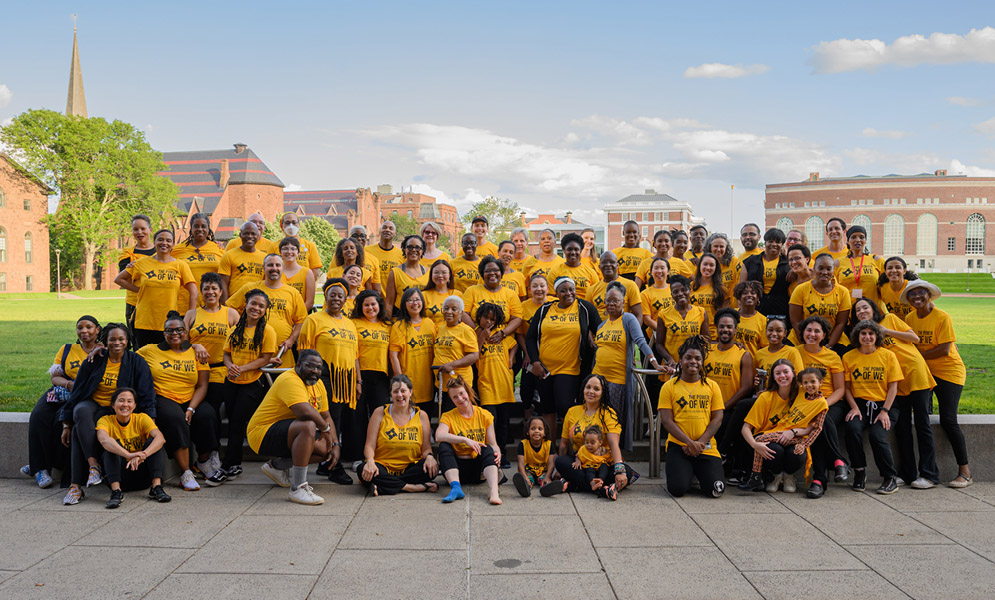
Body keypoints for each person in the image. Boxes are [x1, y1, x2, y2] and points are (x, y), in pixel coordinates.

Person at [59, 323, 156, 505]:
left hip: (119, 410)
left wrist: (150, 419)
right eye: (112, 339)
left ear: (127, 341)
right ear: (105, 341)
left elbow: (147, 393)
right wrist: (66, 422)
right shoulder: (95, 359)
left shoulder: (136, 362)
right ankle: (93, 466)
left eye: (121, 339)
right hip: (94, 405)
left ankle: (76, 485)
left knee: (81, 431)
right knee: (80, 412)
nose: (117, 342)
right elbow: (78, 390)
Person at [851, 297, 938, 489]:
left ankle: (929, 474)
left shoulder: (889, 319)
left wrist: (886, 331)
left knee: (923, 424)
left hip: (915, 374)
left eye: (865, 307)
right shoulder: (865, 335)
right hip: (896, 382)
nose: (862, 311)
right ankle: (907, 473)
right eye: (858, 310)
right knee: (902, 428)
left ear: (873, 308)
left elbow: (914, 338)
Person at [137, 311, 218, 490]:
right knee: (175, 419)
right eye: (170, 331)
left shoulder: (197, 352)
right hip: (164, 397)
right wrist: (99, 348)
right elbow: (125, 354)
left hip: (189, 398)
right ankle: (185, 472)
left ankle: (203, 462)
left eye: (179, 330)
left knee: (207, 414)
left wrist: (191, 408)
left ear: (186, 332)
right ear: (163, 333)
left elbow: (202, 385)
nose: (175, 334)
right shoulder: (149, 350)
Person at [903, 280, 972, 488]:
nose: (917, 297)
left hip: (949, 373)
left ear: (929, 295)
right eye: (912, 294)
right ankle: (925, 472)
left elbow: (943, 349)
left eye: (921, 293)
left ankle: (965, 472)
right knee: (921, 417)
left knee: (948, 420)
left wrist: (919, 357)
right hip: (925, 374)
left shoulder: (942, 317)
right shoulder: (909, 318)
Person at [247, 350, 338, 505]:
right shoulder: (290, 379)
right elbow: (303, 411)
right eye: (310, 366)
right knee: (308, 425)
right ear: (298, 365)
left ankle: (276, 467)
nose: (315, 371)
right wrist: (325, 430)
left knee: (325, 450)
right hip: (261, 434)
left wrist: (335, 444)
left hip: (286, 432)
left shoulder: (318, 383)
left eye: (318, 367)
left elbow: (326, 416)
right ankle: (298, 488)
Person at [22, 316, 101, 489]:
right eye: (80, 328)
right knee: (39, 415)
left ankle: (42, 465)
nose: (84, 331)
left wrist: (77, 388)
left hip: (84, 396)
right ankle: (40, 469)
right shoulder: (67, 349)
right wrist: (68, 384)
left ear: (97, 330)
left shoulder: (101, 351)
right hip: (62, 389)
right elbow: (54, 376)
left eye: (89, 327)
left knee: (61, 421)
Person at [298, 279, 361, 485]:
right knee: (329, 421)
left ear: (345, 300)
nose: (336, 298)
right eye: (332, 295)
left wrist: (358, 380)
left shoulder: (350, 323)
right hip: (324, 377)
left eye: (340, 296)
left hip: (347, 380)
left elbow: (355, 355)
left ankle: (327, 463)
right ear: (325, 297)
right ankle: (336, 466)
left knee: (340, 421)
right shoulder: (314, 320)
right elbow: (304, 351)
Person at [525, 276, 602, 437]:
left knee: (565, 406)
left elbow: (600, 331)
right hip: (544, 369)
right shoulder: (545, 309)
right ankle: (550, 448)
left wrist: (589, 334)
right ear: (556, 293)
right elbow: (531, 337)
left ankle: (569, 446)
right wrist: (535, 362)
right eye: (563, 290)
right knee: (547, 408)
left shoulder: (585, 308)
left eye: (571, 289)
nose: (569, 293)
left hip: (570, 368)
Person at [592, 282, 664, 450]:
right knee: (597, 418)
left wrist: (655, 363)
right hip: (598, 379)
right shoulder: (601, 325)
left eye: (615, 300)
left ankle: (613, 454)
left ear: (623, 301)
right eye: (608, 300)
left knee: (613, 421)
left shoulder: (628, 319)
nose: (611, 304)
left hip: (618, 381)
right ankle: (596, 452)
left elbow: (641, 341)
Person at [739, 363, 827, 494]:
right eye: (778, 373)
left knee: (797, 453)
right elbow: (745, 428)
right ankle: (774, 476)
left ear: (793, 374)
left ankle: (787, 476)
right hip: (776, 436)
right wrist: (754, 445)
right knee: (764, 443)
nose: (782, 376)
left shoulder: (804, 394)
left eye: (786, 372)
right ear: (773, 377)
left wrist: (795, 434)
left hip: (796, 438)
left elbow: (815, 427)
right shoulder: (767, 397)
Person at [184, 272, 239, 479]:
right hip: (201, 372)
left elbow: (241, 343)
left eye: (214, 288)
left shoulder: (231, 314)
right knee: (211, 412)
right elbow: (180, 342)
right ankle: (211, 454)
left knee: (234, 414)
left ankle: (232, 460)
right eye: (206, 288)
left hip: (227, 369)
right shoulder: (192, 315)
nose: (210, 292)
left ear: (221, 291)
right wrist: (195, 344)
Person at [546, 374, 637, 497]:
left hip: (603, 465)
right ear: (583, 389)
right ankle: (604, 489)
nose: (591, 391)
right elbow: (563, 444)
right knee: (561, 462)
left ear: (602, 392)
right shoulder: (573, 412)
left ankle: (574, 485)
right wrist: (560, 471)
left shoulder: (608, 413)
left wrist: (620, 470)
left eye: (596, 389)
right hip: (581, 463)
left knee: (628, 472)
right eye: (588, 387)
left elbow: (613, 443)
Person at [657, 336, 725, 498]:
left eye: (697, 358)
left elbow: (717, 419)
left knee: (716, 490)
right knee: (677, 489)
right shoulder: (669, 387)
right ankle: (686, 472)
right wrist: (689, 443)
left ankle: (697, 471)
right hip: (679, 445)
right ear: (680, 361)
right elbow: (667, 421)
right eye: (688, 358)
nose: (693, 361)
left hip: (705, 446)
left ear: (702, 362)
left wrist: (699, 443)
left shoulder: (712, 386)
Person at [221, 289, 277, 478]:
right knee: (233, 423)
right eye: (253, 303)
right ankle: (233, 463)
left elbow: (265, 358)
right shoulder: (235, 328)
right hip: (231, 382)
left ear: (265, 309)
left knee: (237, 422)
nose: (256, 308)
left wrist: (241, 369)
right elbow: (226, 354)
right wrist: (230, 367)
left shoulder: (267, 331)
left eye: (261, 306)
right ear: (245, 304)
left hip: (252, 383)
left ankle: (230, 464)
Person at [842, 319, 903, 494]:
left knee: (877, 435)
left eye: (871, 333)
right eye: (863, 333)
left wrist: (884, 411)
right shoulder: (849, 357)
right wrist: (854, 407)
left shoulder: (888, 355)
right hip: (859, 404)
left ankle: (890, 477)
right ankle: (859, 472)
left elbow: (893, 387)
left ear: (877, 336)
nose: (867, 337)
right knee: (852, 428)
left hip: (884, 405)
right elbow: (846, 388)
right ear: (857, 336)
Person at [115, 229, 197, 349]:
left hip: (169, 323)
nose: (164, 243)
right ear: (154, 242)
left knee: (167, 358)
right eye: (160, 239)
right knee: (143, 360)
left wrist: (190, 315)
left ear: (173, 245)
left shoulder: (180, 265)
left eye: (168, 240)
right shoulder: (141, 263)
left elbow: (194, 291)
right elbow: (119, 279)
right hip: (144, 321)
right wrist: (140, 290)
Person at [360, 375, 439, 495]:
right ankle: (412, 487)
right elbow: (369, 445)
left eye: (403, 391)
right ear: (391, 394)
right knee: (363, 469)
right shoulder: (380, 412)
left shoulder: (421, 415)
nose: (400, 395)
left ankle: (383, 487)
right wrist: (370, 461)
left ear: (410, 392)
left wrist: (429, 457)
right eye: (395, 391)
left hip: (410, 467)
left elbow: (426, 448)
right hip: (383, 466)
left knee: (430, 469)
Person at [795, 315, 849, 488]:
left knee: (822, 421)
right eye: (808, 330)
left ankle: (818, 479)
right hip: (805, 404)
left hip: (831, 403)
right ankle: (838, 461)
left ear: (824, 335)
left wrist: (823, 404)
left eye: (817, 331)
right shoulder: (794, 352)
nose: (812, 334)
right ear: (802, 333)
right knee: (818, 422)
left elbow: (840, 389)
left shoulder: (832, 356)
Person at [227, 254, 307, 369]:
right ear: (263, 268)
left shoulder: (293, 293)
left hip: (281, 354)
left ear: (282, 268)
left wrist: (291, 340)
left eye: (277, 265)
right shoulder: (250, 288)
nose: (274, 268)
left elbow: (301, 320)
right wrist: (241, 328)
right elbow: (229, 309)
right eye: (270, 265)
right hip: (251, 356)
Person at [96, 388, 171, 508]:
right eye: (121, 401)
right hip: (120, 474)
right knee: (111, 447)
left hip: (143, 473)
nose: (125, 404)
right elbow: (104, 440)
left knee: (154, 443)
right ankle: (116, 492)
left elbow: (160, 438)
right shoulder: (105, 421)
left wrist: (144, 454)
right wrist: (128, 455)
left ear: (134, 405)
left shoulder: (142, 418)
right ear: (113, 405)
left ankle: (156, 487)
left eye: (129, 401)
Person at [436, 375, 502, 505]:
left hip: (478, 471)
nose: (460, 399)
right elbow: (439, 435)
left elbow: (493, 443)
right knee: (444, 445)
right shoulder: (448, 416)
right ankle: (456, 488)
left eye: (462, 393)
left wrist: (497, 453)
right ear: (451, 400)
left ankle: (494, 491)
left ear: (468, 391)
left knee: (488, 449)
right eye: (455, 397)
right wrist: (465, 440)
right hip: (457, 470)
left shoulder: (485, 415)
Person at [707, 309, 754, 480]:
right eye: (721, 326)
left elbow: (747, 387)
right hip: (706, 406)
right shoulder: (708, 350)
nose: (725, 330)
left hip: (730, 408)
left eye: (729, 327)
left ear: (735, 330)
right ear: (716, 328)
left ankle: (726, 460)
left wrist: (723, 406)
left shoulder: (744, 354)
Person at [474, 303, 517, 466]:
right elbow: (474, 355)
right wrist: (482, 338)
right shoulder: (476, 334)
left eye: (493, 319)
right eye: (486, 318)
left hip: (504, 383)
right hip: (486, 384)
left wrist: (511, 358)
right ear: (479, 317)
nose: (488, 322)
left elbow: (514, 345)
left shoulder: (501, 336)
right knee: (491, 420)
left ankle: (503, 454)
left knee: (503, 423)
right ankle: (491, 453)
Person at [788, 253, 852, 349]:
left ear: (833, 270)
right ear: (814, 268)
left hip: (832, 340)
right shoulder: (800, 289)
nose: (824, 272)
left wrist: (830, 345)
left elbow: (841, 323)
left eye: (829, 269)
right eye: (820, 268)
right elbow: (795, 321)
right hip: (802, 338)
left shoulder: (843, 292)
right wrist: (806, 343)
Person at [388, 287, 437, 412]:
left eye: (417, 299)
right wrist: (400, 382)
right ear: (404, 304)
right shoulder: (398, 326)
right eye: (410, 300)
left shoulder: (429, 323)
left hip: (427, 384)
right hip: (408, 385)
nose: (414, 303)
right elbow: (393, 356)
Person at [171, 212, 225, 314]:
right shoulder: (177, 250)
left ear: (208, 229)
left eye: (203, 226)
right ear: (191, 229)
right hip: (183, 305)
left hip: (211, 305)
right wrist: (133, 264)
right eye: (196, 226)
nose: (200, 229)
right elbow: (158, 259)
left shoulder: (219, 249)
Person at [517, 273, 554, 419]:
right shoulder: (523, 306)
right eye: (535, 286)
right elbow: (520, 333)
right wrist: (527, 353)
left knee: (546, 388)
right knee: (526, 387)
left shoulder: (555, 303)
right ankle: (527, 415)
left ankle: (546, 417)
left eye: (542, 286)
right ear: (529, 290)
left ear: (548, 288)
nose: (539, 289)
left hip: (551, 353)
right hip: (530, 353)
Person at [655, 275, 710, 372]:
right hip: (672, 367)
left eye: (684, 290)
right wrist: (669, 359)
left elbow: (707, 340)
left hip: (694, 367)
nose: (680, 294)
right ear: (671, 295)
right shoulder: (663, 314)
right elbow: (659, 344)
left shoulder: (701, 312)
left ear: (690, 291)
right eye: (675, 292)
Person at [434, 296, 480, 409]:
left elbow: (474, 355)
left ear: (461, 313)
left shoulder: (466, 330)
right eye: (446, 308)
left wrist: (451, 365)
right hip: (442, 382)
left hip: (459, 383)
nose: (449, 312)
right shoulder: (439, 329)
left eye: (454, 309)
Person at [351, 290, 392, 416]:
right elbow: (353, 354)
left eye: (373, 304)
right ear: (360, 307)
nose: (370, 308)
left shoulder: (388, 326)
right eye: (366, 305)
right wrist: (358, 380)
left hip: (381, 377)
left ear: (379, 305)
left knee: (380, 415)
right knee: (356, 418)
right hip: (359, 375)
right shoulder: (353, 324)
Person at [461, 256, 524, 332]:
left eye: (495, 270)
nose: (492, 273)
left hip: (504, 339)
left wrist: (503, 333)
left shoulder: (511, 294)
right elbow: (463, 313)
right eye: (487, 271)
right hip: (476, 337)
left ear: (501, 273)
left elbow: (517, 317)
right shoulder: (472, 291)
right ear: (482, 274)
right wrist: (477, 331)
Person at [739, 228, 789, 320]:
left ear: (782, 244)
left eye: (778, 242)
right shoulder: (750, 262)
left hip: (781, 310)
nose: (774, 244)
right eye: (770, 241)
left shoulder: (788, 263)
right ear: (765, 242)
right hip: (755, 308)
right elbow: (741, 287)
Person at [118, 214, 155, 329]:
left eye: (143, 229)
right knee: (137, 341)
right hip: (135, 303)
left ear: (150, 230)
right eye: (135, 229)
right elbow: (122, 279)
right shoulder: (128, 253)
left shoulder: (162, 253)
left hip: (158, 302)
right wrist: (140, 291)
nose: (139, 232)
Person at [835, 225, 886, 309]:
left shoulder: (877, 260)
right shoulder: (838, 263)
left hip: (874, 312)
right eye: (853, 237)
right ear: (847, 241)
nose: (858, 240)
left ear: (865, 240)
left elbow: (888, 285)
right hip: (848, 312)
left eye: (861, 237)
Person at [586, 251, 643, 322]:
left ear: (617, 266)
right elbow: (588, 317)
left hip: (623, 330)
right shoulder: (592, 289)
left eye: (612, 262)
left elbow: (638, 315)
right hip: (599, 331)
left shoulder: (630, 285)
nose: (608, 265)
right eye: (604, 262)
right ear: (599, 267)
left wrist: (633, 332)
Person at [218, 221, 266, 302]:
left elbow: (267, 284)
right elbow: (223, 283)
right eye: (246, 233)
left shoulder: (264, 258)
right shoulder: (229, 255)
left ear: (258, 235)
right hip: (234, 305)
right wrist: (225, 306)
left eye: (253, 234)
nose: (250, 236)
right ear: (240, 235)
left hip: (256, 305)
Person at [547, 233, 601, 300]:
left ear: (580, 251)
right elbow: (550, 297)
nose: (573, 252)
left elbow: (597, 295)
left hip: (585, 309)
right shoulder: (554, 272)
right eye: (569, 249)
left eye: (576, 249)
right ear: (564, 251)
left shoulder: (591, 273)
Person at [512, 416, 556, 497]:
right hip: (528, 471)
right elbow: (520, 464)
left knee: (544, 480)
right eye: (533, 429)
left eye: (540, 429)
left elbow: (551, 464)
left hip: (543, 472)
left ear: (545, 432)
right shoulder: (523, 444)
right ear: (527, 432)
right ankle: (526, 488)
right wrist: (525, 477)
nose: (536, 431)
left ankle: (546, 488)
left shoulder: (549, 444)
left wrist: (548, 476)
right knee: (528, 479)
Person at [385, 235, 430, 312]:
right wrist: (388, 321)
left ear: (422, 251)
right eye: (410, 247)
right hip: (400, 316)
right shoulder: (395, 273)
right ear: (404, 250)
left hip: (422, 317)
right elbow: (389, 302)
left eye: (417, 247)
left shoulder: (428, 273)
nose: (413, 250)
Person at [571, 426, 618, 500]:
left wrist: (613, 462)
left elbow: (610, 458)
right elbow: (578, 456)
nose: (589, 445)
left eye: (592, 443)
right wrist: (577, 461)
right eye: (586, 442)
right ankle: (593, 483)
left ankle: (600, 480)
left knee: (604, 467)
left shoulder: (603, 451)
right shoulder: (583, 449)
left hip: (600, 467)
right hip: (590, 466)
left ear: (600, 442)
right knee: (589, 471)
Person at [277, 212, 323, 279]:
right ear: (282, 226)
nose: (291, 225)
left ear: (298, 225)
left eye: (294, 222)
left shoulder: (309, 245)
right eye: (287, 223)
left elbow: (315, 270)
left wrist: (309, 284)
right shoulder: (274, 246)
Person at [279, 237, 316, 312]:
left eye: (293, 249)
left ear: (298, 253)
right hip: (279, 315)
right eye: (285, 248)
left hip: (300, 317)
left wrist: (296, 316)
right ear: (280, 252)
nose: (289, 252)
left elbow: (309, 302)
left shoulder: (307, 273)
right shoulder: (276, 271)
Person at [731, 281, 767, 358]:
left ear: (758, 297)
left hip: (751, 364)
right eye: (745, 293)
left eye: (753, 293)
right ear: (739, 297)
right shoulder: (731, 314)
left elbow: (764, 349)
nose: (749, 295)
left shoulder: (764, 321)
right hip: (730, 360)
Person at [689, 252, 728, 322]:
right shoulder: (690, 286)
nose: (708, 268)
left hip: (713, 330)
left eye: (711, 265)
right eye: (705, 264)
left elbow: (724, 314)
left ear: (716, 268)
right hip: (694, 329)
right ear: (700, 265)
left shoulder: (722, 289)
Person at [422, 259, 460, 329]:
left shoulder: (457, 295)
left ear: (449, 275)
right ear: (431, 275)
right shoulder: (424, 295)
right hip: (430, 334)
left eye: (444, 272)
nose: (440, 275)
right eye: (436, 272)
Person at [704, 233, 738, 301]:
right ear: (710, 247)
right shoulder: (704, 264)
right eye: (715, 246)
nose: (718, 249)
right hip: (712, 304)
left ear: (726, 248)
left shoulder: (734, 261)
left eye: (721, 246)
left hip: (732, 305)